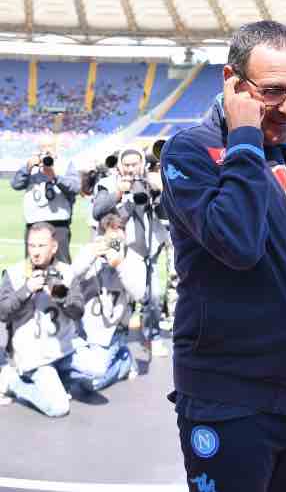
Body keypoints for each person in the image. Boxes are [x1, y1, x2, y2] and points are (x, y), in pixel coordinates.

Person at [159, 20, 286, 492]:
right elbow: (237, 244)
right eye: (274, 91)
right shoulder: (192, 150)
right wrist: (243, 138)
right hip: (230, 400)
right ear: (233, 83)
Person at [0, 222, 90, 417]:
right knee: (59, 408)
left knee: (96, 369)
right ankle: (13, 382)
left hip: (63, 349)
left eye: (41, 246)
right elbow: (3, 312)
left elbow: (78, 311)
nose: (35, 252)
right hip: (35, 356)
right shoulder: (14, 273)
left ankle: (60, 381)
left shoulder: (66, 272)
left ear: (54, 247)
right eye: (32, 245)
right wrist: (27, 290)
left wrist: (60, 296)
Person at [92, 147, 169, 357]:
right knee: (116, 300)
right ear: (119, 166)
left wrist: (160, 192)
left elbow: (165, 215)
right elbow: (97, 211)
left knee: (153, 296)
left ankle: (152, 337)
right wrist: (118, 193)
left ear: (142, 164)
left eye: (135, 163)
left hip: (144, 250)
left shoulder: (150, 182)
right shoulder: (108, 183)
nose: (131, 168)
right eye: (126, 164)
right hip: (116, 250)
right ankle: (116, 341)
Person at [70, 213, 141, 391]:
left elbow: (139, 293)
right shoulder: (91, 251)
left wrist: (119, 264)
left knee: (91, 383)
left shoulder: (133, 259)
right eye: (111, 239)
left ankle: (123, 362)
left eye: (119, 238)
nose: (114, 244)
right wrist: (92, 254)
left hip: (111, 333)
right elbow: (70, 277)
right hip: (84, 329)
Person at [10, 135, 80, 263]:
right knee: (33, 263)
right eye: (43, 147)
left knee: (62, 265)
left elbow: (75, 187)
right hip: (34, 223)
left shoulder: (65, 163)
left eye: (50, 147)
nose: (46, 150)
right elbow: (16, 184)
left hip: (58, 223)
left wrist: (56, 177)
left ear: (56, 148)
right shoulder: (31, 165)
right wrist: (27, 168)